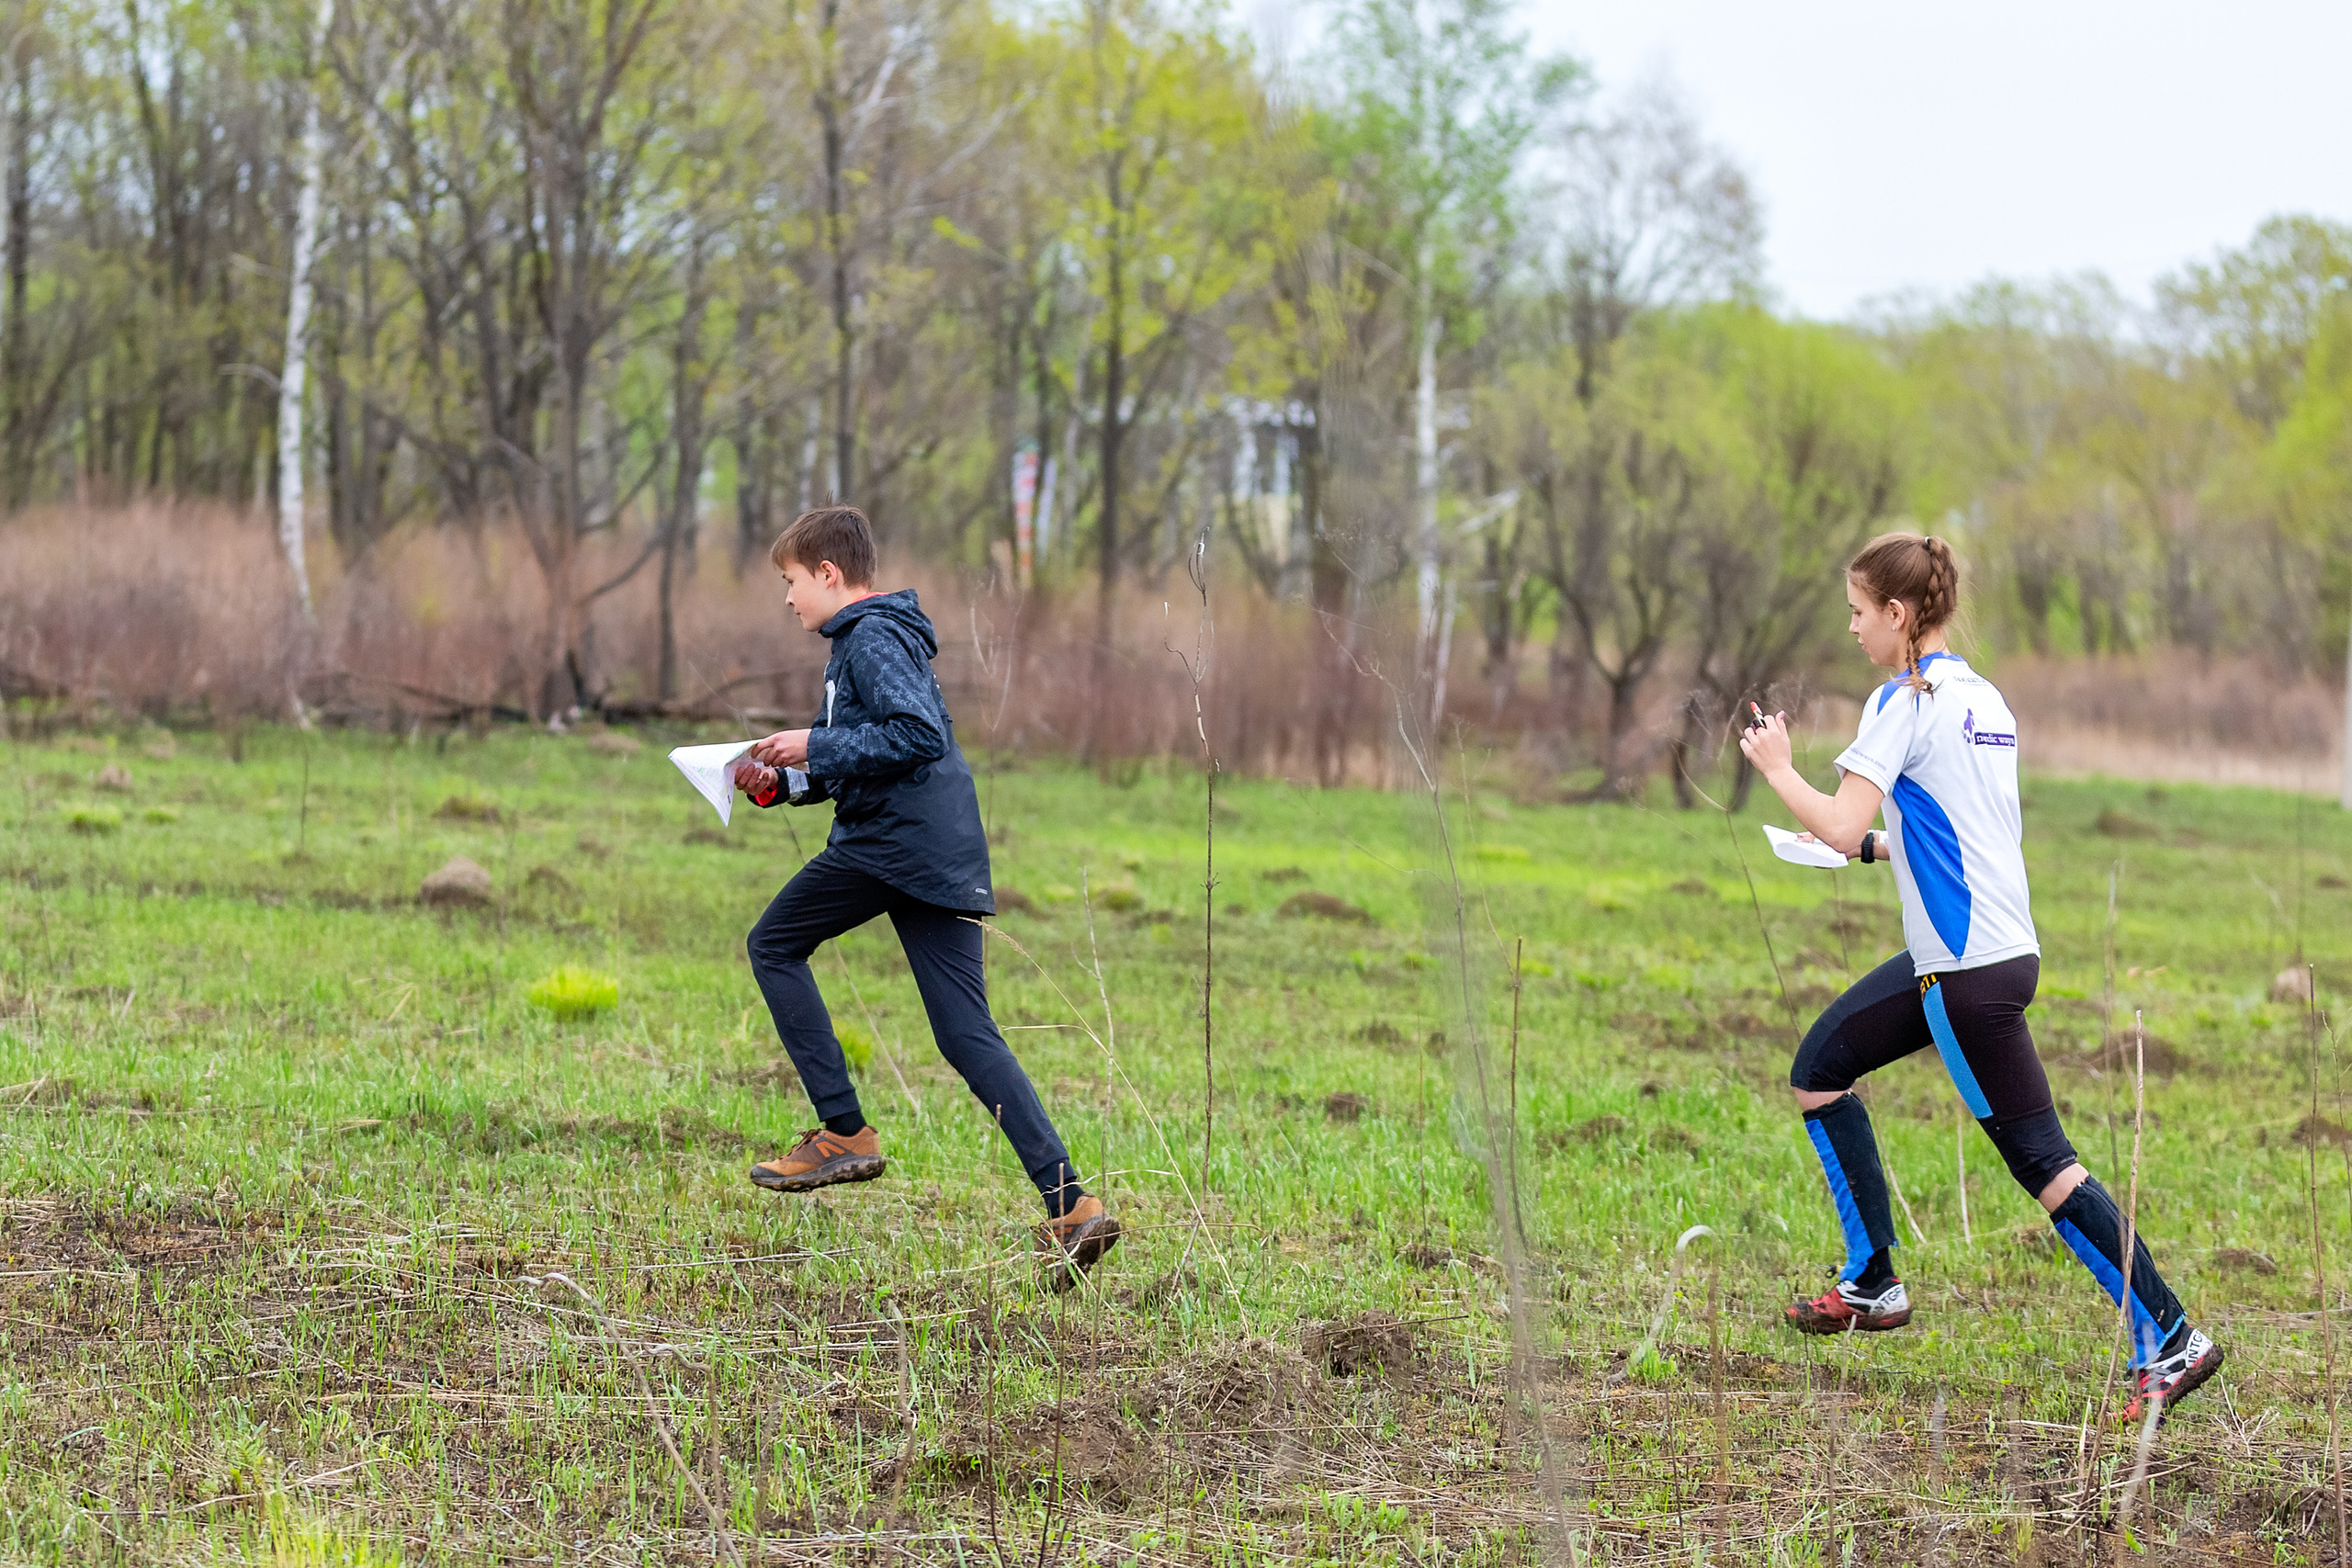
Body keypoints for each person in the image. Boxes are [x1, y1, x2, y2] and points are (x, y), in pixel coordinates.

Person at [1738, 531, 2221, 1423]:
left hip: (1960, 979)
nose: (1850, 630)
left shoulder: (1902, 700)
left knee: (2045, 1167)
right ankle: (1873, 1279)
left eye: (1856, 613)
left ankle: (2170, 1335)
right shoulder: (1982, 700)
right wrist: (1874, 848)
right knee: (1819, 1071)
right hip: (1992, 956)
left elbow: (1843, 823)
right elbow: (1947, 832)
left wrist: (1777, 771)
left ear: (1897, 613)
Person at [727, 504, 1118, 1289]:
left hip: (895, 847)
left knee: (773, 944)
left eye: (791, 581)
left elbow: (915, 735)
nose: (788, 598)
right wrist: (787, 780)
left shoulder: (869, 637)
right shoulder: (867, 642)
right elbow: (869, 754)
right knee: (966, 1033)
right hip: (933, 847)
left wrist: (815, 742)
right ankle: (1072, 1205)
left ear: (829, 575)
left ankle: (843, 1132)